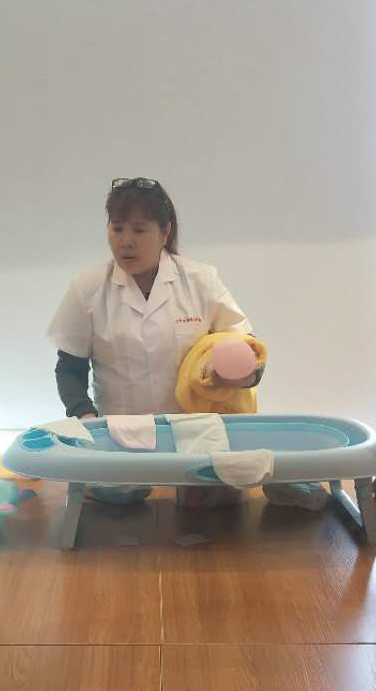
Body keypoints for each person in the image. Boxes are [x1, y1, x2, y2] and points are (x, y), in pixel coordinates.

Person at [47, 177, 322, 508]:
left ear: (165, 233)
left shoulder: (201, 281)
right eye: (117, 229)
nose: (126, 241)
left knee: (214, 508)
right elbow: (70, 367)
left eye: (139, 230)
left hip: (196, 432)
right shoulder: (88, 289)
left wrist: (243, 375)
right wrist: (85, 417)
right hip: (121, 434)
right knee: (118, 505)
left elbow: (246, 347)